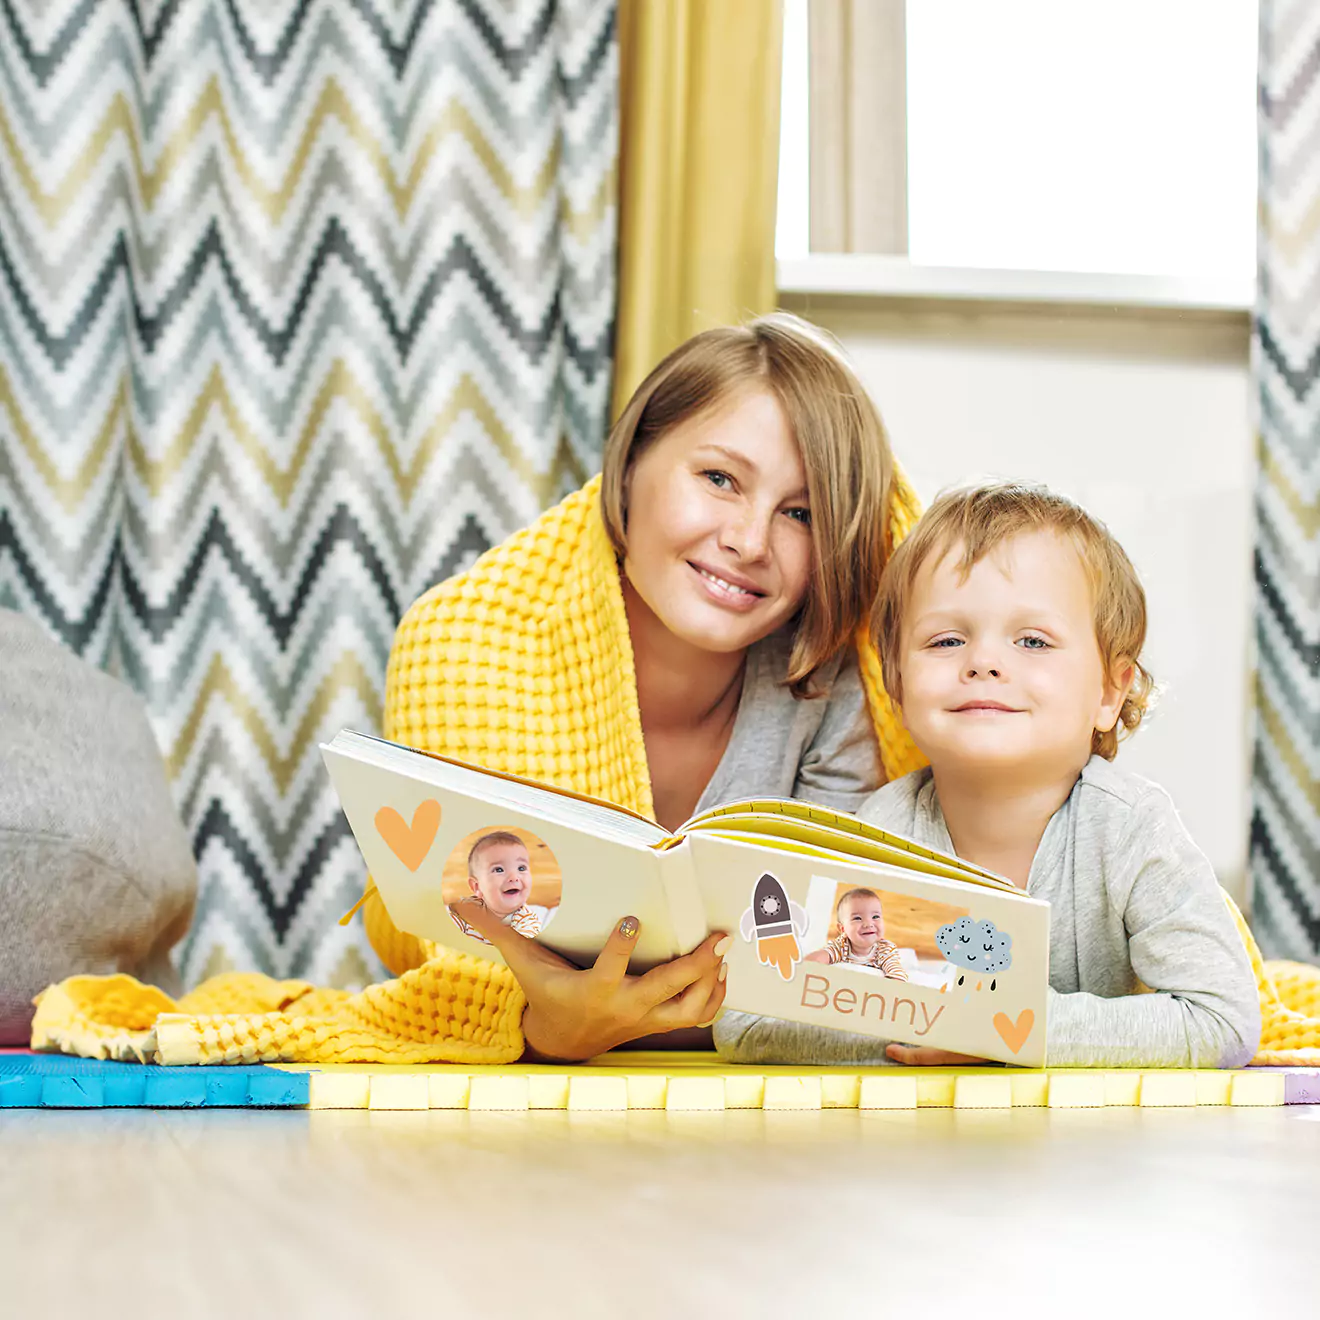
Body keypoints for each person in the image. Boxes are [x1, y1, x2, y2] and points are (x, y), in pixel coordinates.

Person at [355, 313, 927, 1061]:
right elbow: (453, 951)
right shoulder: (466, 646)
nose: (749, 541)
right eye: (719, 479)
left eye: (801, 514)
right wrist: (538, 1026)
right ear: (628, 466)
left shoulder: (832, 674)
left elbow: (824, 965)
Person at [716, 481, 1261, 1069]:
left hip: (1090, 1147)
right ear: (896, 686)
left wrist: (1005, 1032)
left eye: (1033, 640)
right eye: (947, 640)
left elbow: (1222, 1019)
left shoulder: (1130, 831)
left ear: (1109, 690)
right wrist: (921, 1024)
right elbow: (742, 1021)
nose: (984, 661)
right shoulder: (877, 836)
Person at [449, 832, 551, 942]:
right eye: (499, 870)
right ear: (477, 887)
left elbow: (518, 950)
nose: (514, 877)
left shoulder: (527, 923)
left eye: (521, 868)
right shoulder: (468, 909)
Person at [804, 887, 908, 978]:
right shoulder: (841, 946)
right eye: (857, 918)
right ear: (842, 929)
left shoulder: (885, 950)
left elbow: (897, 975)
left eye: (875, 917)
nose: (868, 924)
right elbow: (817, 959)